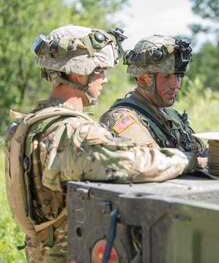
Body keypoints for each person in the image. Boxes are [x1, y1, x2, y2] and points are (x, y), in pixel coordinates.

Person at [5, 25, 195, 262]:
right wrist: (187, 159)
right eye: (99, 71)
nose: (104, 79)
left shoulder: (25, 126)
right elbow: (135, 164)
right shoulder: (72, 133)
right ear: (78, 73)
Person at [100, 35, 206, 167]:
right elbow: (151, 165)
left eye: (179, 76)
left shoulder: (170, 114)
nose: (176, 85)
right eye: (166, 77)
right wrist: (201, 162)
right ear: (143, 79)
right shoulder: (123, 118)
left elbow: (199, 150)